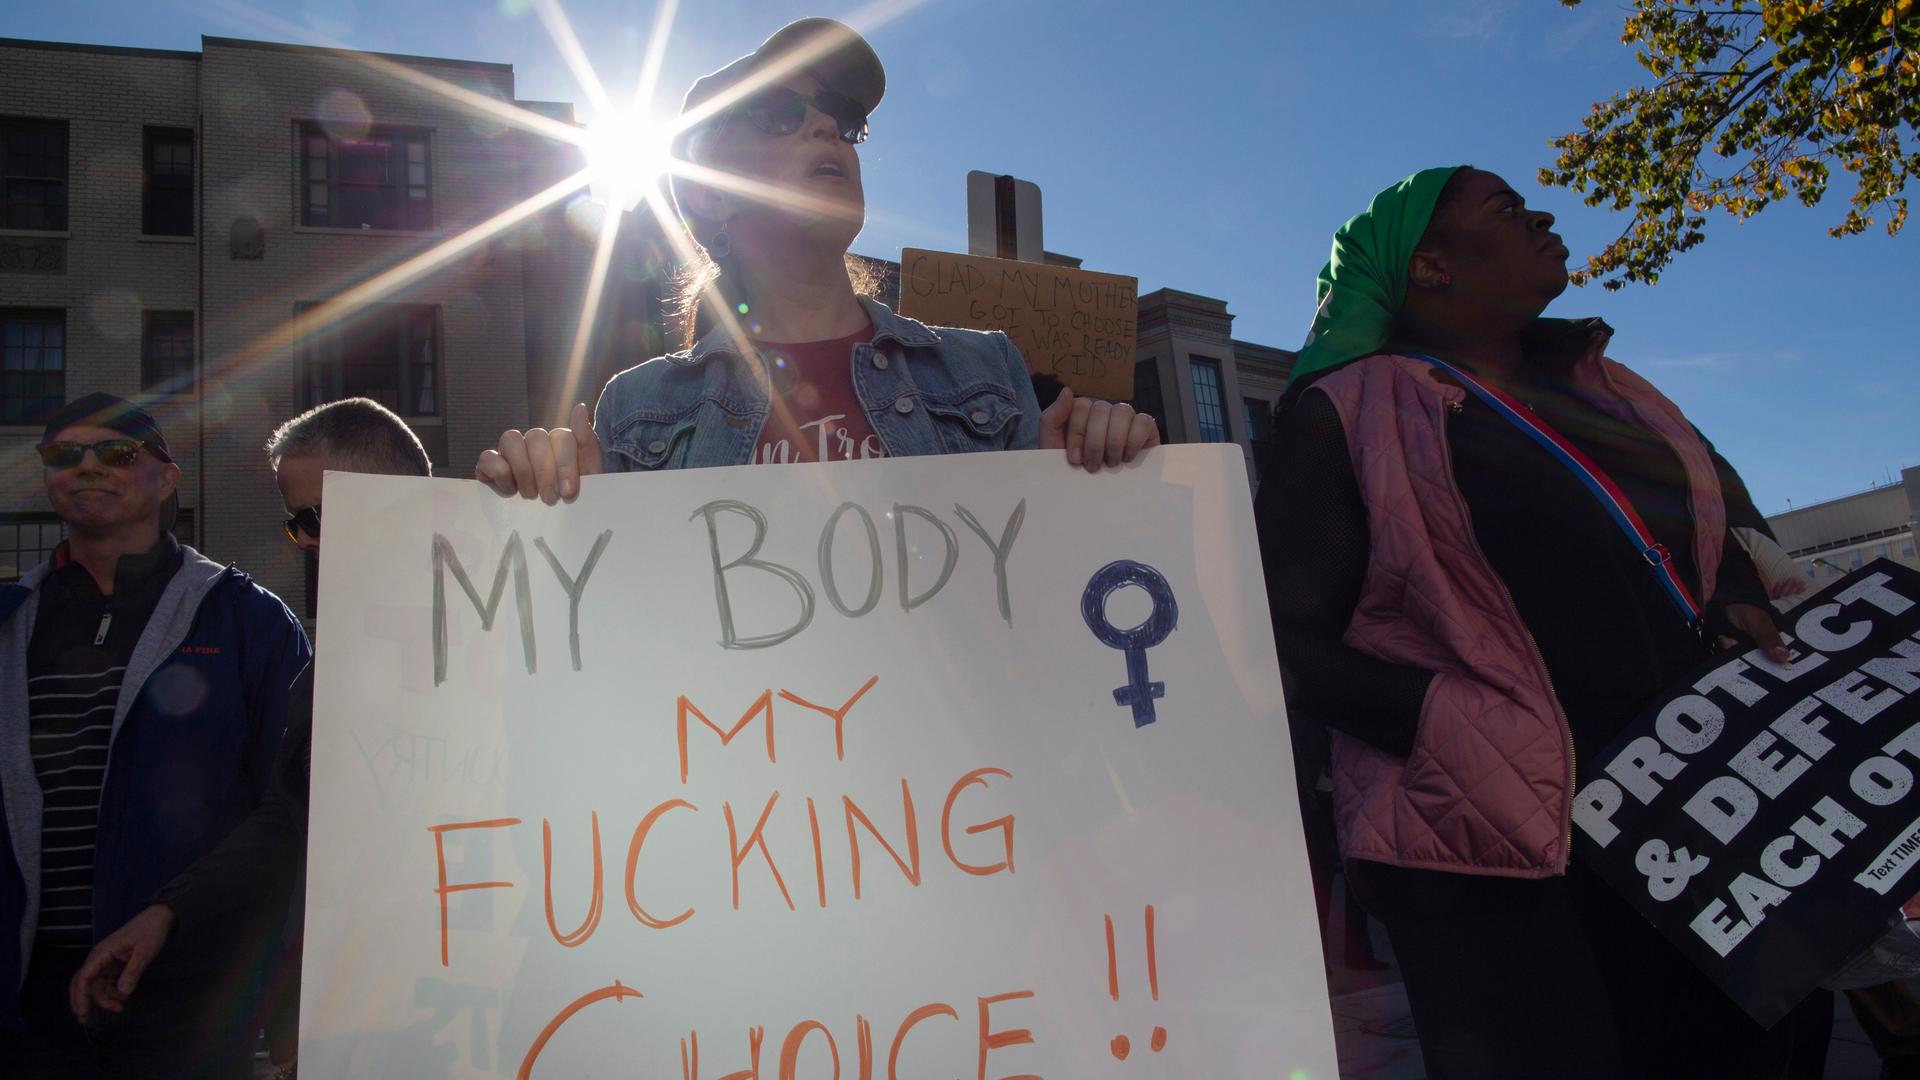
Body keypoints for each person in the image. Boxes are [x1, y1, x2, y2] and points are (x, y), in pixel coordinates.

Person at [1256, 166, 1793, 1078]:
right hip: (1498, 871)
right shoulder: (1345, 413)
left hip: (1697, 819)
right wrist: (1453, 725)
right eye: (1506, 210)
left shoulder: (1612, 385)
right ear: (1429, 267)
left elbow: (1701, 510)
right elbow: (1281, 638)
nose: (1542, 215)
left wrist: (1737, 582)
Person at [476, 17, 1156, 500]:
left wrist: (1093, 465)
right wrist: (549, 503)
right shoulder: (635, 409)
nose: (825, 125)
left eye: (839, 115)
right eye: (779, 110)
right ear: (710, 197)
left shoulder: (986, 371)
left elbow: (1042, 593)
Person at [67, 397, 434, 1080]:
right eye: (299, 527)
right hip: (389, 1019)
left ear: (399, 495)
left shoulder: (527, 606)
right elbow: (288, 818)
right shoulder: (334, 666)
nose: (313, 543)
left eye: (316, 518)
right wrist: (168, 914)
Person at [0, 393, 311, 1079]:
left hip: (190, 1007)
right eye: (63, 454)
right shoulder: (10, 623)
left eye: (115, 453)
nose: (88, 467)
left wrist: (286, 1005)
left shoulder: (246, 621)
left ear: (166, 478)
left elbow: (292, 814)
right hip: (26, 1013)